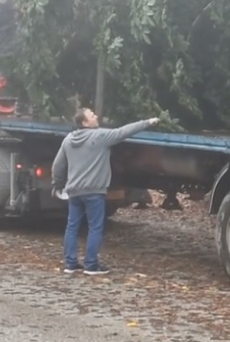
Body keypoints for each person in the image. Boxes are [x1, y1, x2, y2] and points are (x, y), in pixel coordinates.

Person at [51, 108, 160, 275]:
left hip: (74, 191)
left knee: (72, 227)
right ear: (85, 122)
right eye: (92, 115)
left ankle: (70, 264)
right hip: (94, 192)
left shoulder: (68, 140)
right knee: (95, 228)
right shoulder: (100, 136)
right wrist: (147, 122)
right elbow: (123, 132)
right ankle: (91, 265)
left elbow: (57, 166)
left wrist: (58, 185)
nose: (96, 116)